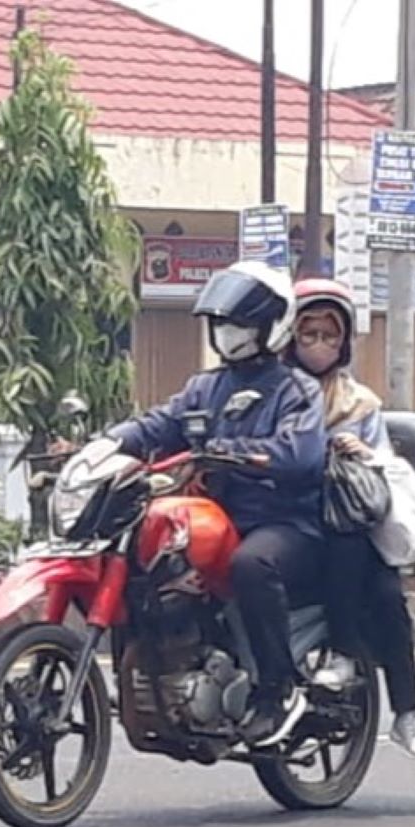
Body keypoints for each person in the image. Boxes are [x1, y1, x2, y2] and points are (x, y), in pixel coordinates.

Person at [102, 261, 327, 748]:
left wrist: (238, 453)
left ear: (271, 326)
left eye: (240, 324)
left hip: (283, 523)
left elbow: (300, 454)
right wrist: (107, 444)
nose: (228, 333)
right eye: (222, 323)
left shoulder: (297, 390)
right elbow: (158, 425)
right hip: (216, 517)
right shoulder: (205, 387)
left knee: (252, 563)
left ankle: (277, 690)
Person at [286, 278, 415, 763]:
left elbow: (385, 468)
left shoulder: (361, 403)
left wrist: (364, 452)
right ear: (289, 336)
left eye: (329, 336)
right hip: (293, 523)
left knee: (388, 596)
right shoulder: (275, 392)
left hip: (350, 521)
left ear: (344, 341)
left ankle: (407, 711)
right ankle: (340, 655)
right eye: (308, 335)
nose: (318, 346)